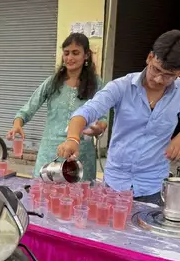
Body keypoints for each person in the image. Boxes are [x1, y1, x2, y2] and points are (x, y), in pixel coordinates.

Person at [57, 30, 180, 205]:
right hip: (116, 184)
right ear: (149, 58)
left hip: (153, 185)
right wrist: (72, 138)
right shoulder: (122, 86)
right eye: (156, 69)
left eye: (168, 75)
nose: (158, 78)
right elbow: (87, 111)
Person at [7, 33, 106, 180]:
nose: (70, 58)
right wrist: (17, 124)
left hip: (80, 155)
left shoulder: (97, 84)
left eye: (75, 53)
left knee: (78, 199)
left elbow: (103, 117)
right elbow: (28, 108)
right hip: (50, 152)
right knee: (44, 198)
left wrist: (99, 128)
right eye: (66, 53)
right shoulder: (53, 82)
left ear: (86, 55)